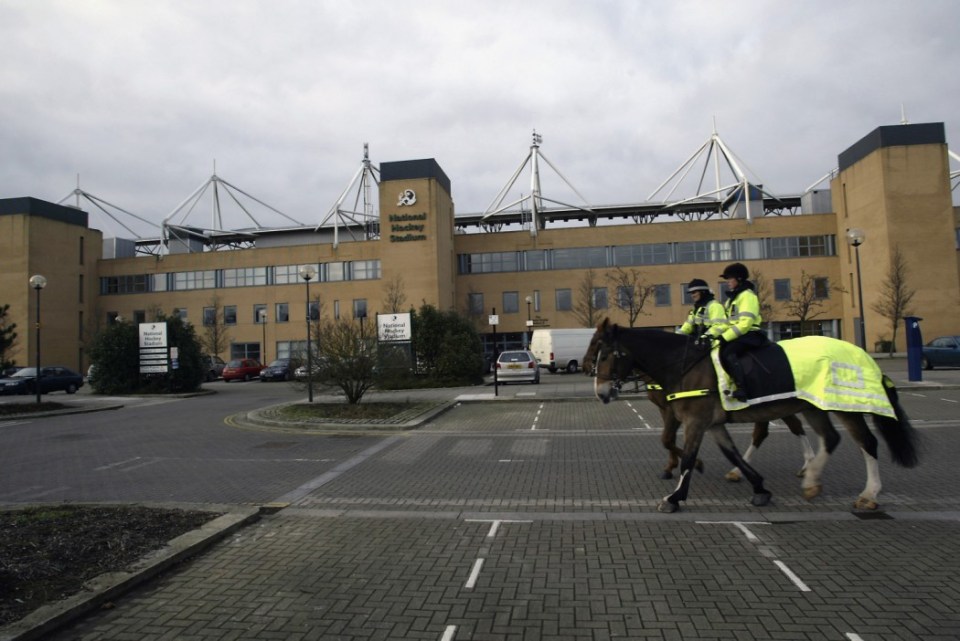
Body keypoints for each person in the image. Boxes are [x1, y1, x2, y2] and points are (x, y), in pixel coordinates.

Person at [707, 262, 770, 401]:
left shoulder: (747, 296)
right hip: (739, 334)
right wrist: (709, 336)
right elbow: (727, 323)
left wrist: (724, 338)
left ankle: (742, 389)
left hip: (750, 334)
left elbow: (745, 323)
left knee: (729, 352)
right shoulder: (732, 300)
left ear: (739, 279)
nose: (728, 282)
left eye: (730, 279)